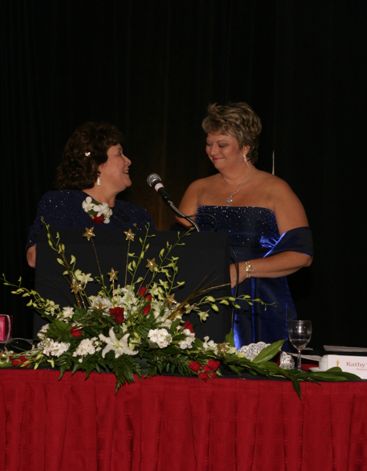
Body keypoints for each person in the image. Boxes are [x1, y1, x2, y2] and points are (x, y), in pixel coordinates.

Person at [177, 102, 313, 348]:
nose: (212, 151)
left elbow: (302, 255)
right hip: (207, 299)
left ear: (246, 147)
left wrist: (243, 269)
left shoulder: (276, 189)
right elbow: (181, 250)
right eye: (209, 143)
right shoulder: (197, 189)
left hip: (262, 304)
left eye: (222, 144)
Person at [26, 121, 153, 267]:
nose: (128, 161)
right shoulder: (63, 203)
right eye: (119, 153)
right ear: (96, 164)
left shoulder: (138, 215)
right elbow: (35, 257)